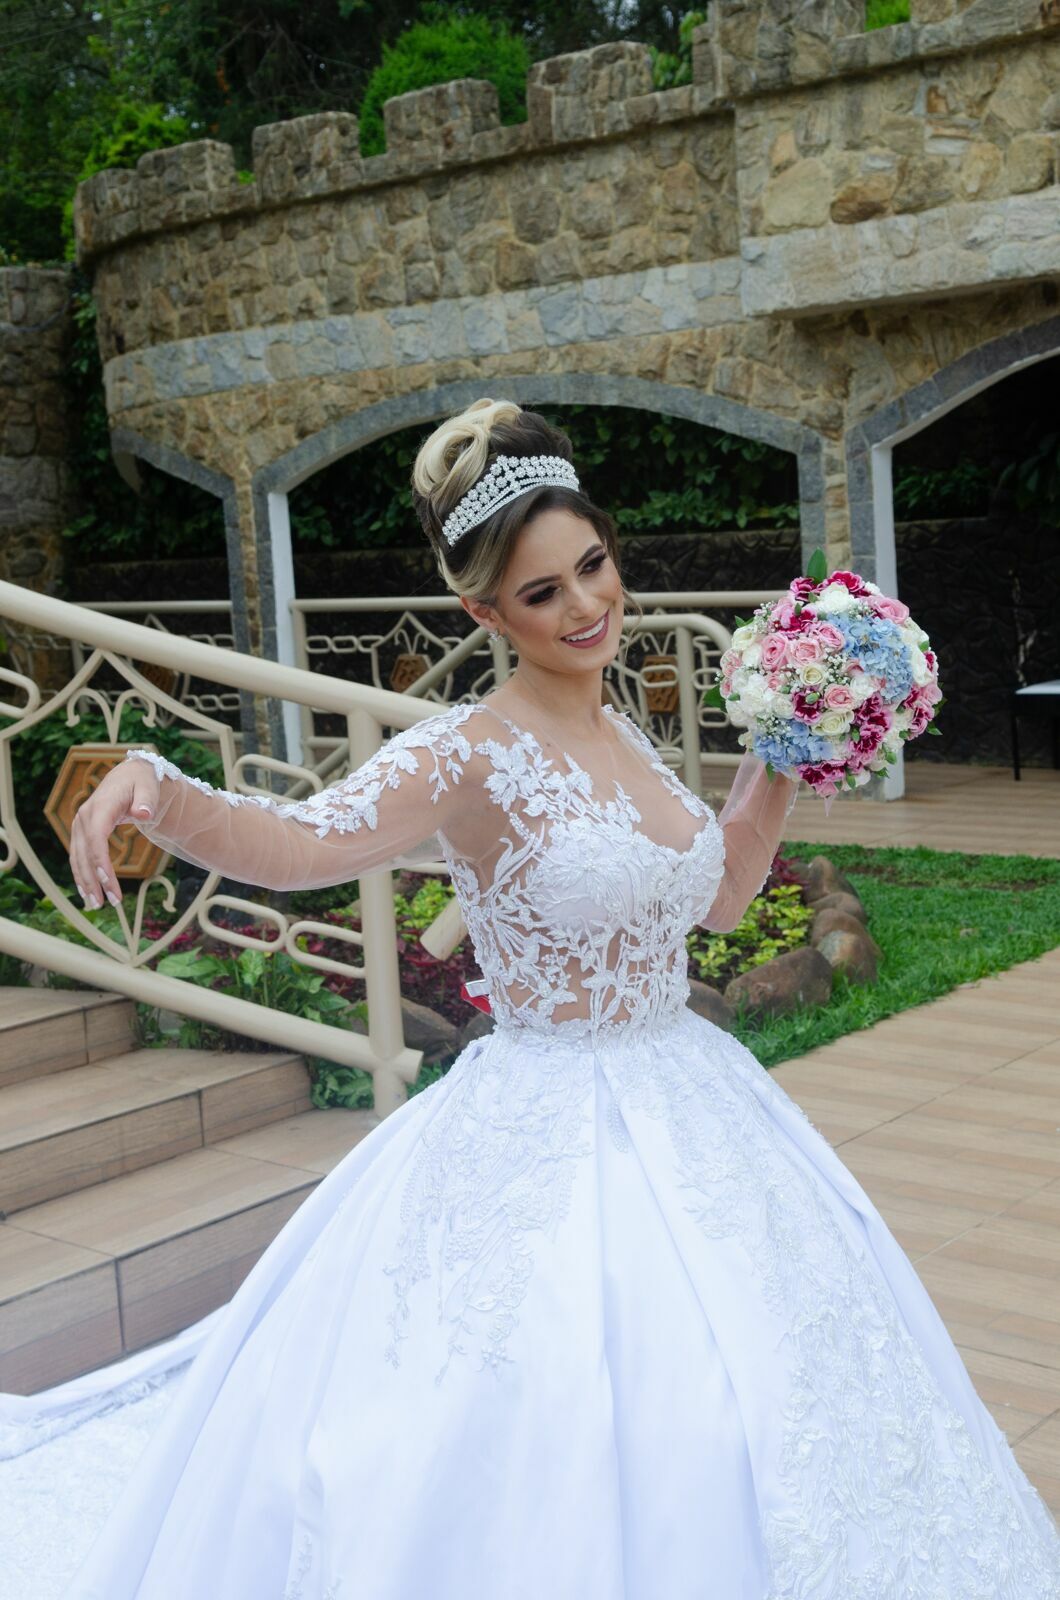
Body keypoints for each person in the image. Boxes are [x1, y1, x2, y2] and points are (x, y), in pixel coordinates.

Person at [2, 399, 1058, 1599]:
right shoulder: (465, 754)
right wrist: (157, 782)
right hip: (544, 1117)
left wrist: (783, 745)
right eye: (542, 592)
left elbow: (715, 901)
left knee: (773, 1386)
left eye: (593, 567)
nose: (585, 607)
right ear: (484, 613)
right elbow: (302, 843)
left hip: (695, 1100)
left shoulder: (632, 735)